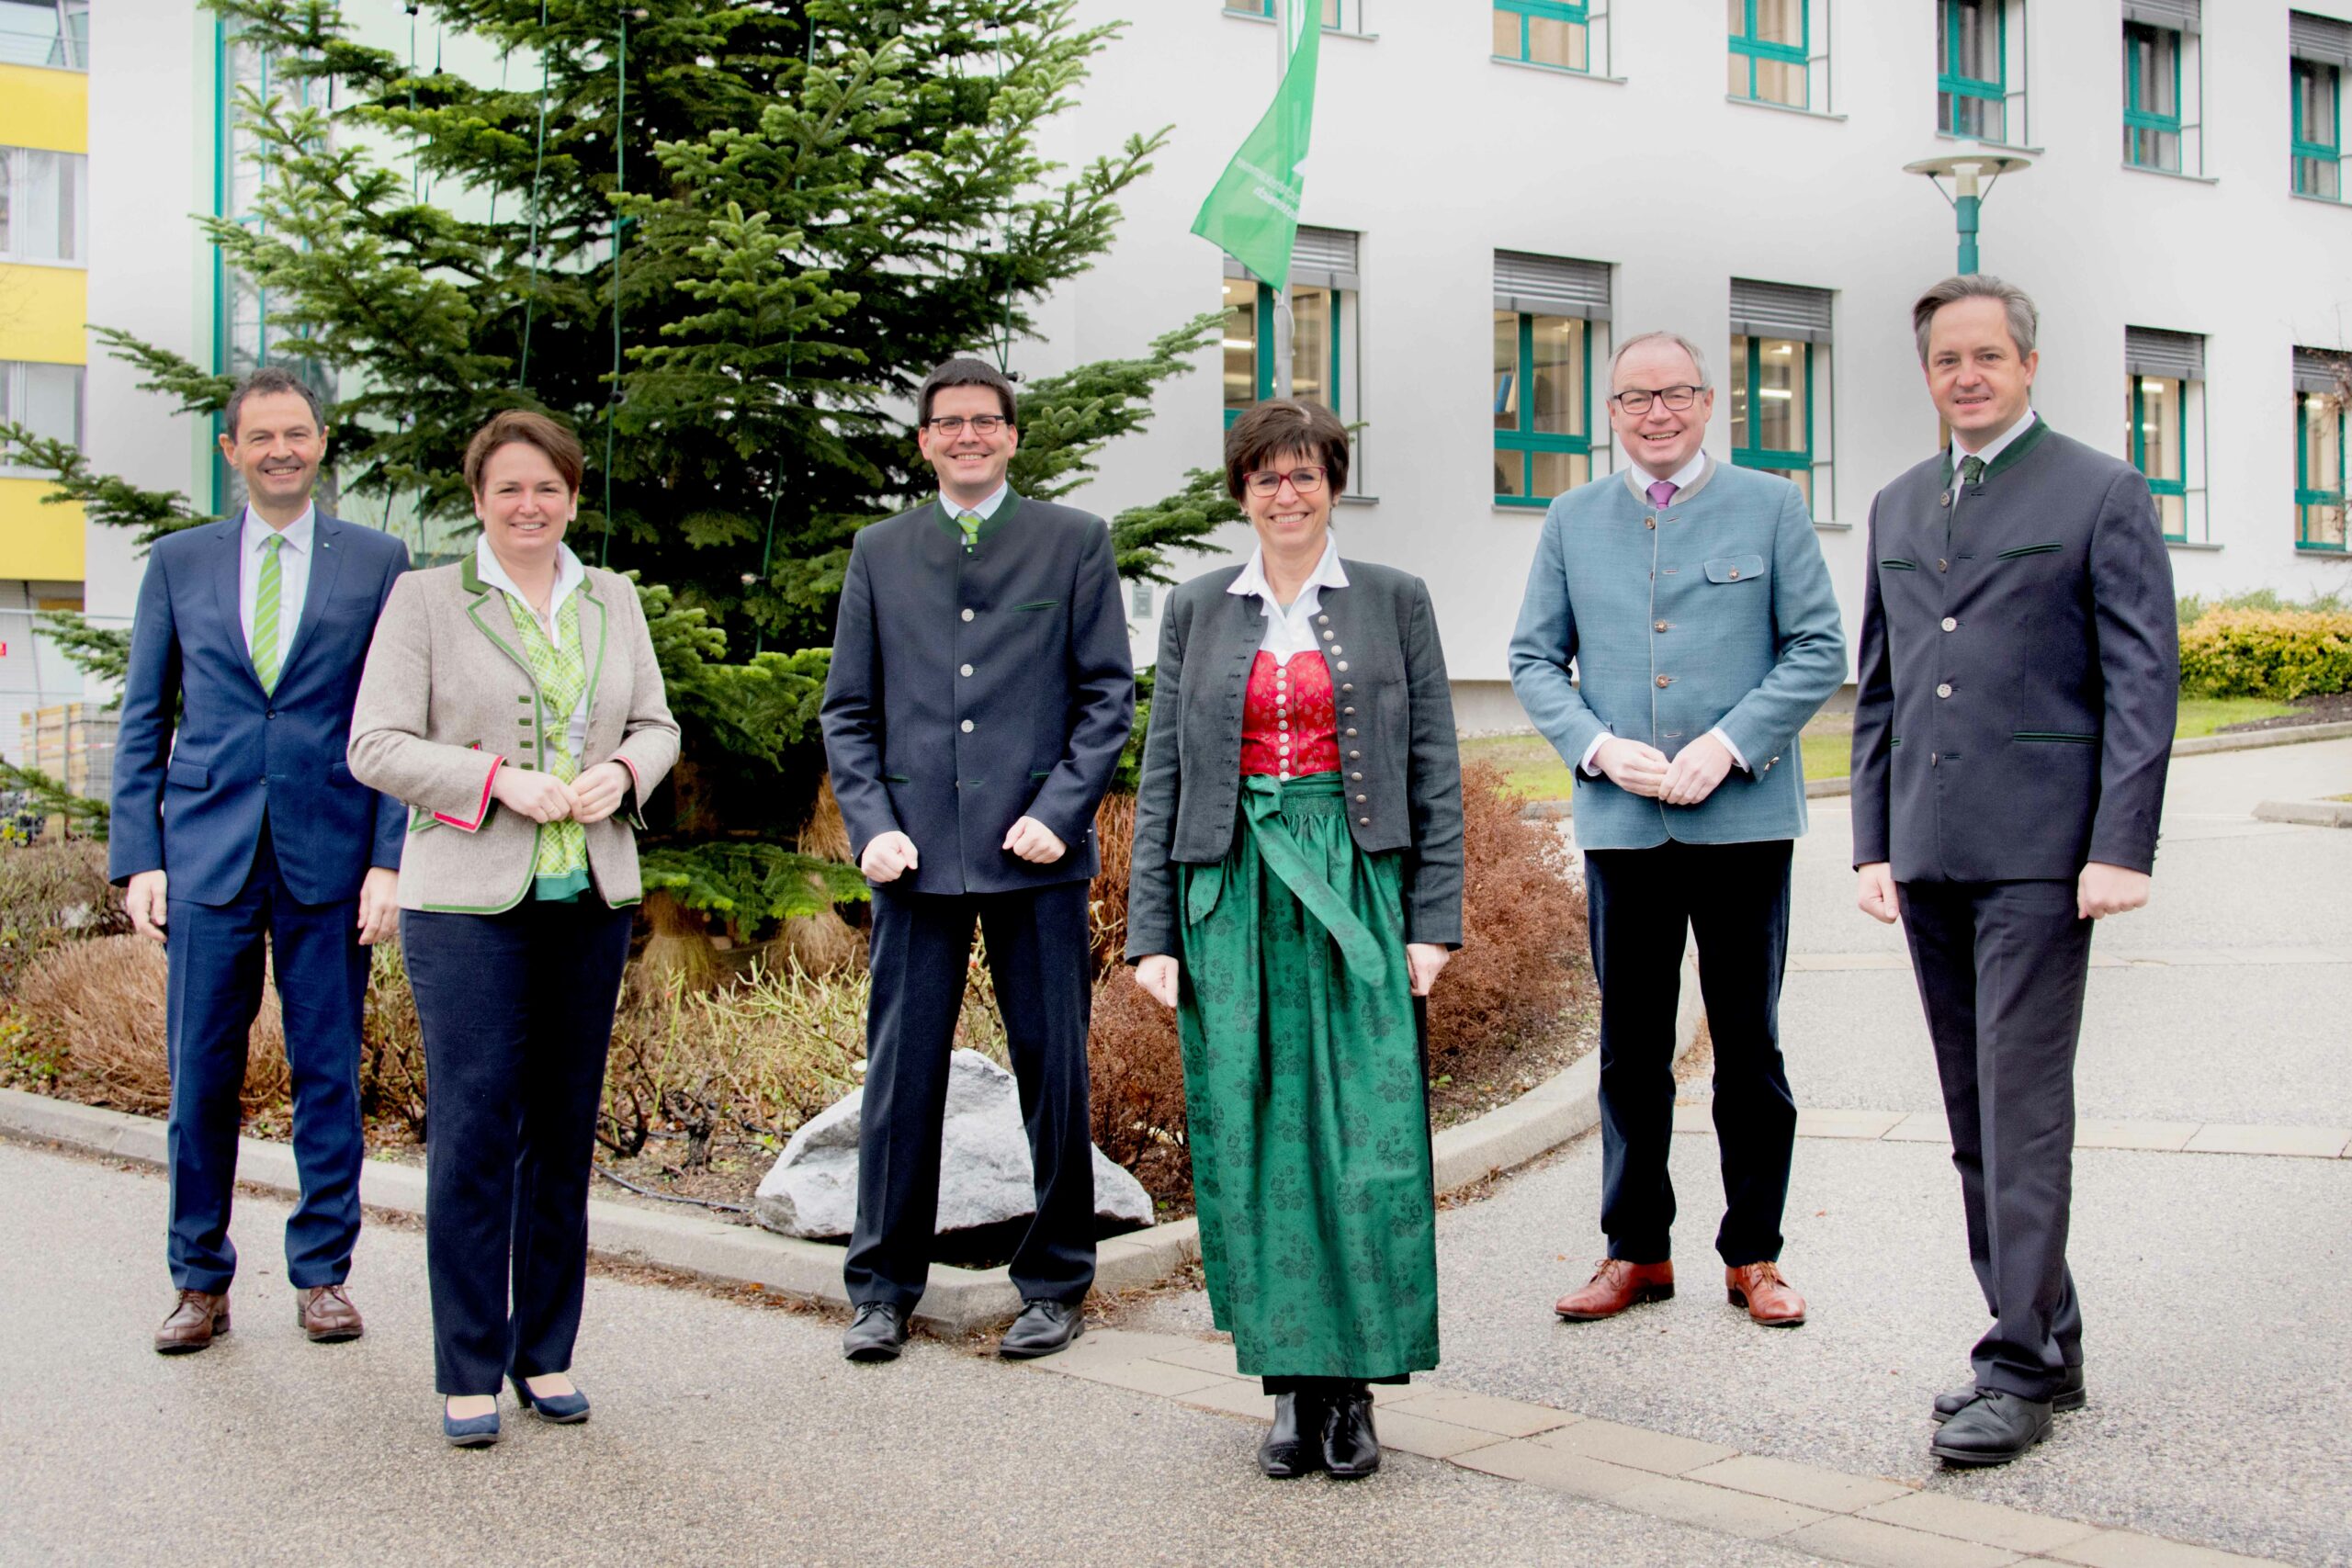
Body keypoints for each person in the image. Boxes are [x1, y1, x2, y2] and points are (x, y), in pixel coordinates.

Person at [1852, 276, 2177, 1468]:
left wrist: (2120, 844)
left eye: (1989, 355)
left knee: (2022, 1106)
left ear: (2028, 364)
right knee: (1972, 1110)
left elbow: (2145, 681)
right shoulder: (1894, 501)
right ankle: (2051, 1327)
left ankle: (2019, 1361)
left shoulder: (2101, 489)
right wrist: (1873, 839)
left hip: (2045, 855)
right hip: (1932, 852)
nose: (1968, 374)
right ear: (1930, 374)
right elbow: (1883, 680)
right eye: (1949, 360)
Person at [1126, 397, 1464, 1481]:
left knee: (1364, 1142)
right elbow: (1165, 775)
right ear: (1243, 492)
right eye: (1266, 477)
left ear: (1332, 485)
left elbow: (1433, 765)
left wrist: (1433, 920)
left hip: (1355, 889)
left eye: (1305, 474)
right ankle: (1284, 1387)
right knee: (1255, 1140)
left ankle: (1355, 1387)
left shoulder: (1394, 602)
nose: (1286, 493)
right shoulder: (1195, 610)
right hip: (1232, 896)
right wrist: (1152, 930)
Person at [347, 410, 679, 1446]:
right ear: (478, 500)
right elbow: (374, 745)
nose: (528, 506)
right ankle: (467, 1364)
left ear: (573, 497)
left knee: (562, 1133)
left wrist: (623, 774)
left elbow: (657, 725)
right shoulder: (426, 601)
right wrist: (496, 780)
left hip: (588, 901)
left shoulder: (610, 598)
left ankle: (546, 1350)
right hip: (464, 909)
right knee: (476, 1129)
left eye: (547, 489)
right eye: (508, 490)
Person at [1510, 331, 1845, 1331]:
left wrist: (1735, 744)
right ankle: (1635, 1250)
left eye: (1674, 394)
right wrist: (1598, 748)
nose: (1654, 412)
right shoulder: (1571, 519)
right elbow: (1532, 659)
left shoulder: (1770, 504)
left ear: (1708, 403)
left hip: (1741, 819)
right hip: (1622, 824)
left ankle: (1755, 1254)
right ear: (1608, 413)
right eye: (1632, 398)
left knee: (1749, 1048)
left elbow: (1817, 644)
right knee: (1628, 1050)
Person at [821, 357, 1134, 1365]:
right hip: (910, 860)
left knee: (1054, 1073)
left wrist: (1060, 809)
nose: (966, 437)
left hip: (1034, 853)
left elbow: (1105, 697)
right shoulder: (880, 551)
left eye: (983, 422)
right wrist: (869, 825)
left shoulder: (1073, 541)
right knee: (900, 1075)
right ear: (923, 442)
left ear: (1010, 436)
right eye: (947, 423)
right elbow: (849, 711)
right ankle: (880, 1287)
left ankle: (1055, 1282)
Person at [109, 367, 410, 1357]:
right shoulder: (180, 563)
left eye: (299, 433)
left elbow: (394, 721)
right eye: (261, 436)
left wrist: (389, 861)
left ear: (322, 444)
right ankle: (198, 1281)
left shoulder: (377, 560)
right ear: (231, 452)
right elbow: (145, 719)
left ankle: (323, 1275)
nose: (282, 449)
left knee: (328, 1076)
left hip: (330, 854)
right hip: (205, 856)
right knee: (201, 1076)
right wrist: (138, 857)